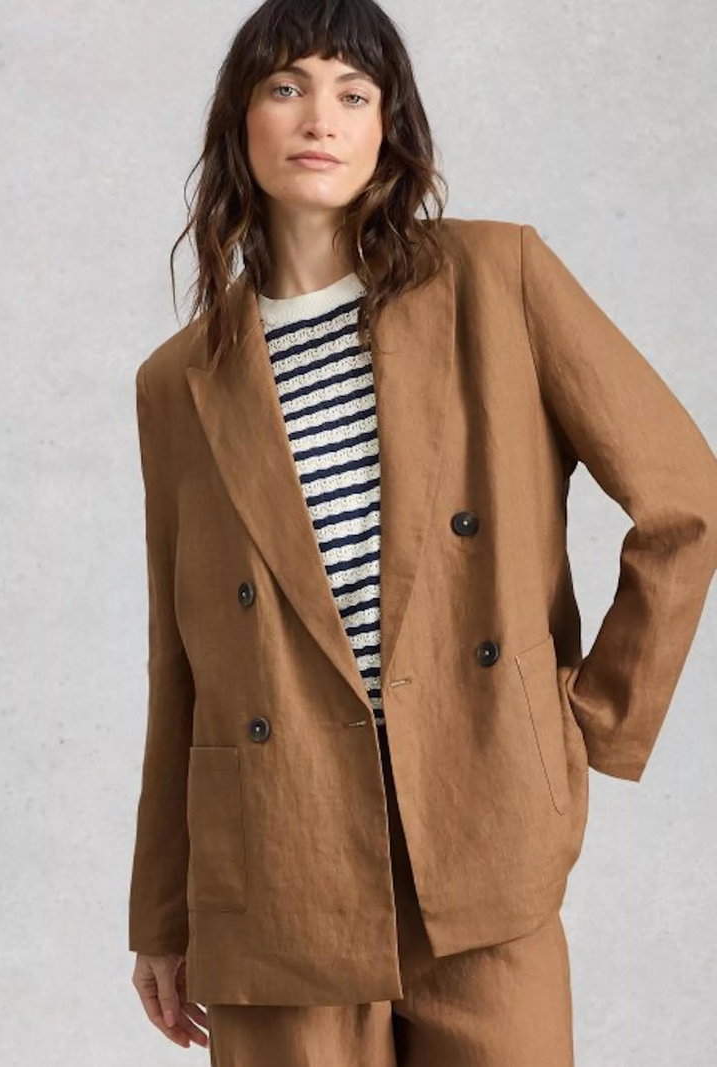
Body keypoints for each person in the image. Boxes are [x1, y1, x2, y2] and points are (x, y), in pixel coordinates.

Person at [127, 1, 717, 1063]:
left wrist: (586, 720)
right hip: (278, 866)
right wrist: (162, 912)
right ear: (240, 121)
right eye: (286, 87)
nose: (320, 117)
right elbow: (181, 660)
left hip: (483, 837)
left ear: (387, 127)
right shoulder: (179, 381)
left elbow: (685, 499)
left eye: (353, 93)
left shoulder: (495, 278)